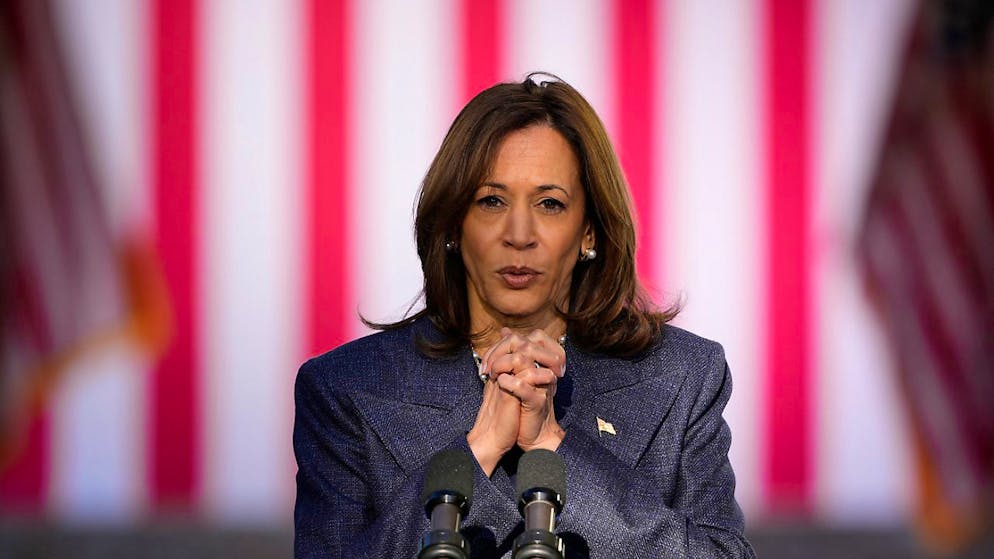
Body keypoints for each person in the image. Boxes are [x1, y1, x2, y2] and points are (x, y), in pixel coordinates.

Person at [293, 73, 754, 558]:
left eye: (549, 204)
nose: (519, 234)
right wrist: (477, 453)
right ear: (453, 223)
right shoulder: (344, 389)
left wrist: (556, 447)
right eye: (491, 201)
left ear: (589, 233)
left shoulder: (682, 379)